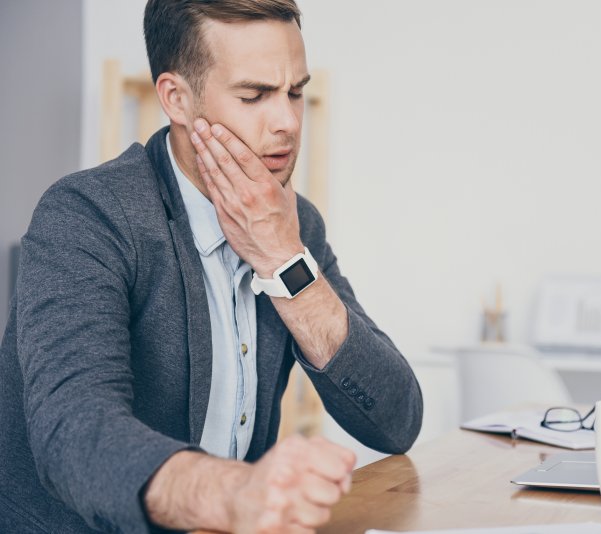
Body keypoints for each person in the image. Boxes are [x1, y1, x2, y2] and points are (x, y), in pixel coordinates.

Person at [0, 1, 423, 532]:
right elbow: (75, 433)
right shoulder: (87, 214)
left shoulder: (291, 223)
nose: (289, 121)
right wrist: (237, 491)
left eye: (295, 92)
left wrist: (283, 262)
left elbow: (397, 420)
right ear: (176, 99)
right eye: (255, 95)